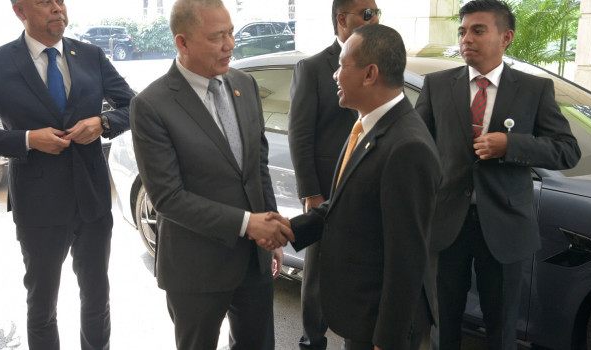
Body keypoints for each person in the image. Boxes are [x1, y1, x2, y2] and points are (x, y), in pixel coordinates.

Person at [0, 0, 134, 349]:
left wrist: (103, 122)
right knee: (42, 305)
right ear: (20, 11)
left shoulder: (91, 55)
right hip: (39, 206)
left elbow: (134, 105)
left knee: (97, 300)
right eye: (44, 2)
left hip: (93, 202)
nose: (57, 8)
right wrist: (27, 139)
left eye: (60, 1)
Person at [414, 0, 581, 349]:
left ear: (506, 37)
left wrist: (512, 146)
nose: (466, 39)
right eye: (462, 31)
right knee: (443, 325)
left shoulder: (534, 90)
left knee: (501, 328)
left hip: (505, 226)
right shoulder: (437, 86)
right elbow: (417, 152)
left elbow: (567, 150)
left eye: (478, 30)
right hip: (447, 226)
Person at [129, 0, 293, 349]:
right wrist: (249, 224)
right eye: (218, 36)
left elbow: (257, 167)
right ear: (182, 43)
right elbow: (168, 198)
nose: (230, 44)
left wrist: (271, 232)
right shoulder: (151, 105)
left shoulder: (244, 85)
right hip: (195, 269)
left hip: (253, 260)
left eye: (231, 32)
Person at [282, 23, 441, 350]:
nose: (335, 75)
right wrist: (287, 231)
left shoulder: (407, 146)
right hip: (360, 315)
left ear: (370, 74)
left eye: (342, 65)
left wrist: (387, 339)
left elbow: (406, 257)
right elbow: (342, 204)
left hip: (380, 328)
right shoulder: (367, 126)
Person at [287, 1, 379, 348]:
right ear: (342, 20)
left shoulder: (377, 65)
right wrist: (311, 193)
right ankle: (313, 339)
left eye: (377, 12)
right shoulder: (312, 68)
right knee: (318, 274)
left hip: (368, 189)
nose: (375, 18)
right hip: (326, 190)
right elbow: (299, 134)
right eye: (368, 14)